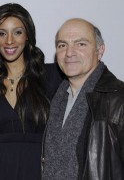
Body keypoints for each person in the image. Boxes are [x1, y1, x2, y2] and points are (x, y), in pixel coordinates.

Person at [0, 3, 62, 180]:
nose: (9, 41)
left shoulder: (52, 75)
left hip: (39, 168)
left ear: (28, 36)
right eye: (2, 33)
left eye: (17, 32)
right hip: (0, 167)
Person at [42, 18, 124, 179]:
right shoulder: (55, 98)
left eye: (81, 44)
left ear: (100, 51)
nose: (69, 52)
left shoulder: (118, 99)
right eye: (62, 45)